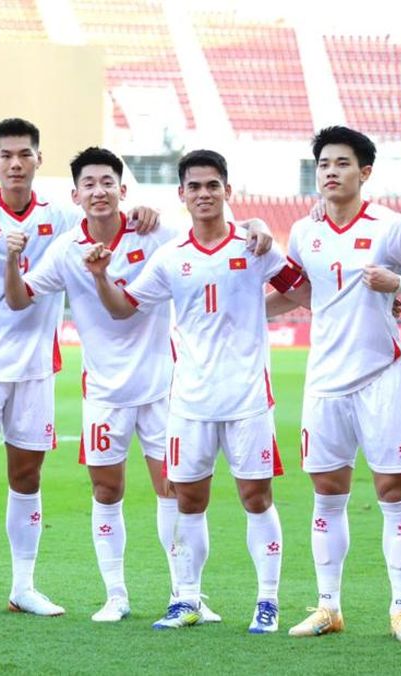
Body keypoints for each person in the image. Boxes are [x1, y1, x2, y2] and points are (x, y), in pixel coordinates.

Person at [4, 146, 268, 622]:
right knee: (106, 492)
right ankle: (116, 595)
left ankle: (186, 595)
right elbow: (21, 298)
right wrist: (12, 260)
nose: (99, 191)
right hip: (104, 391)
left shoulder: (155, 232)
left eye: (107, 182)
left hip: (163, 387)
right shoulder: (66, 250)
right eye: (89, 184)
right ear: (76, 195)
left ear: (122, 190)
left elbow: (212, 232)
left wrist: (255, 224)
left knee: (174, 491)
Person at [0, 117, 160, 622]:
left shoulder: (61, 214)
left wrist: (140, 212)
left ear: (38, 160)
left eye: (24, 154)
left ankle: (23, 587)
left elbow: (105, 216)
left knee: (27, 478)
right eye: (6, 155)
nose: (15, 163)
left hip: (35, 367)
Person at [84, 149, 304, 633]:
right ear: (181, 194)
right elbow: (123, 308)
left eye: (212, 185)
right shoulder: (170, 256)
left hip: (248, 399)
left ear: (228, 190)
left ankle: (267, 601)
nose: (204, 194)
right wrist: (100, 277)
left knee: (256, 498)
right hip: (188, 401)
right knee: (187, 500)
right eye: (195, 187)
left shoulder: (255, 244)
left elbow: (303, 291)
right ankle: (186, 598)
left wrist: (258, 307)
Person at [272, 127, 401, 643]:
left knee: (393, 491)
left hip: (381, 377)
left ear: (364, 172)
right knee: (327, 494)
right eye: (324, 163)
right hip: (324, 381)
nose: (331, 171)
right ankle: (328, 606)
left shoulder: (393, 227)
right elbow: (300, 292)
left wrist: (400, 283)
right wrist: (238, 313)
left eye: (342, 163)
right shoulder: (304, 232)